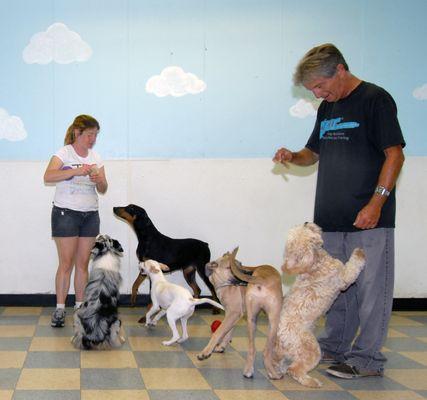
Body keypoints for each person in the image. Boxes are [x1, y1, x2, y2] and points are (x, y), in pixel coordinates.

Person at [273, 43, 405, 379]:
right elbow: (312, 153)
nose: (317, 93)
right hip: (329, 219)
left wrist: (377, 203)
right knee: (332, 287)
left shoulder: (376, 100)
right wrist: (293, 156)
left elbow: (394, 155)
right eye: (312, 89)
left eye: (320, 85)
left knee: (371, 291)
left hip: (369, 218)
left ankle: (367, 359)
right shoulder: (327, 109)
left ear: (340, 70)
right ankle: (334, 346)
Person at [44, 114, 108, 327]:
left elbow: (104, 188)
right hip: (66, 214)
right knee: (66, 264)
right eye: (90, 135)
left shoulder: (97, 157)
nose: (93, 139)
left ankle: (80, 308)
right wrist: (77, 170)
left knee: (82, 264)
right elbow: (48, 176)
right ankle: (60, 309)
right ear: (77, 132)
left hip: (90, 214)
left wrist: (99, 179)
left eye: (95, 135)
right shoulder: (64, 153)